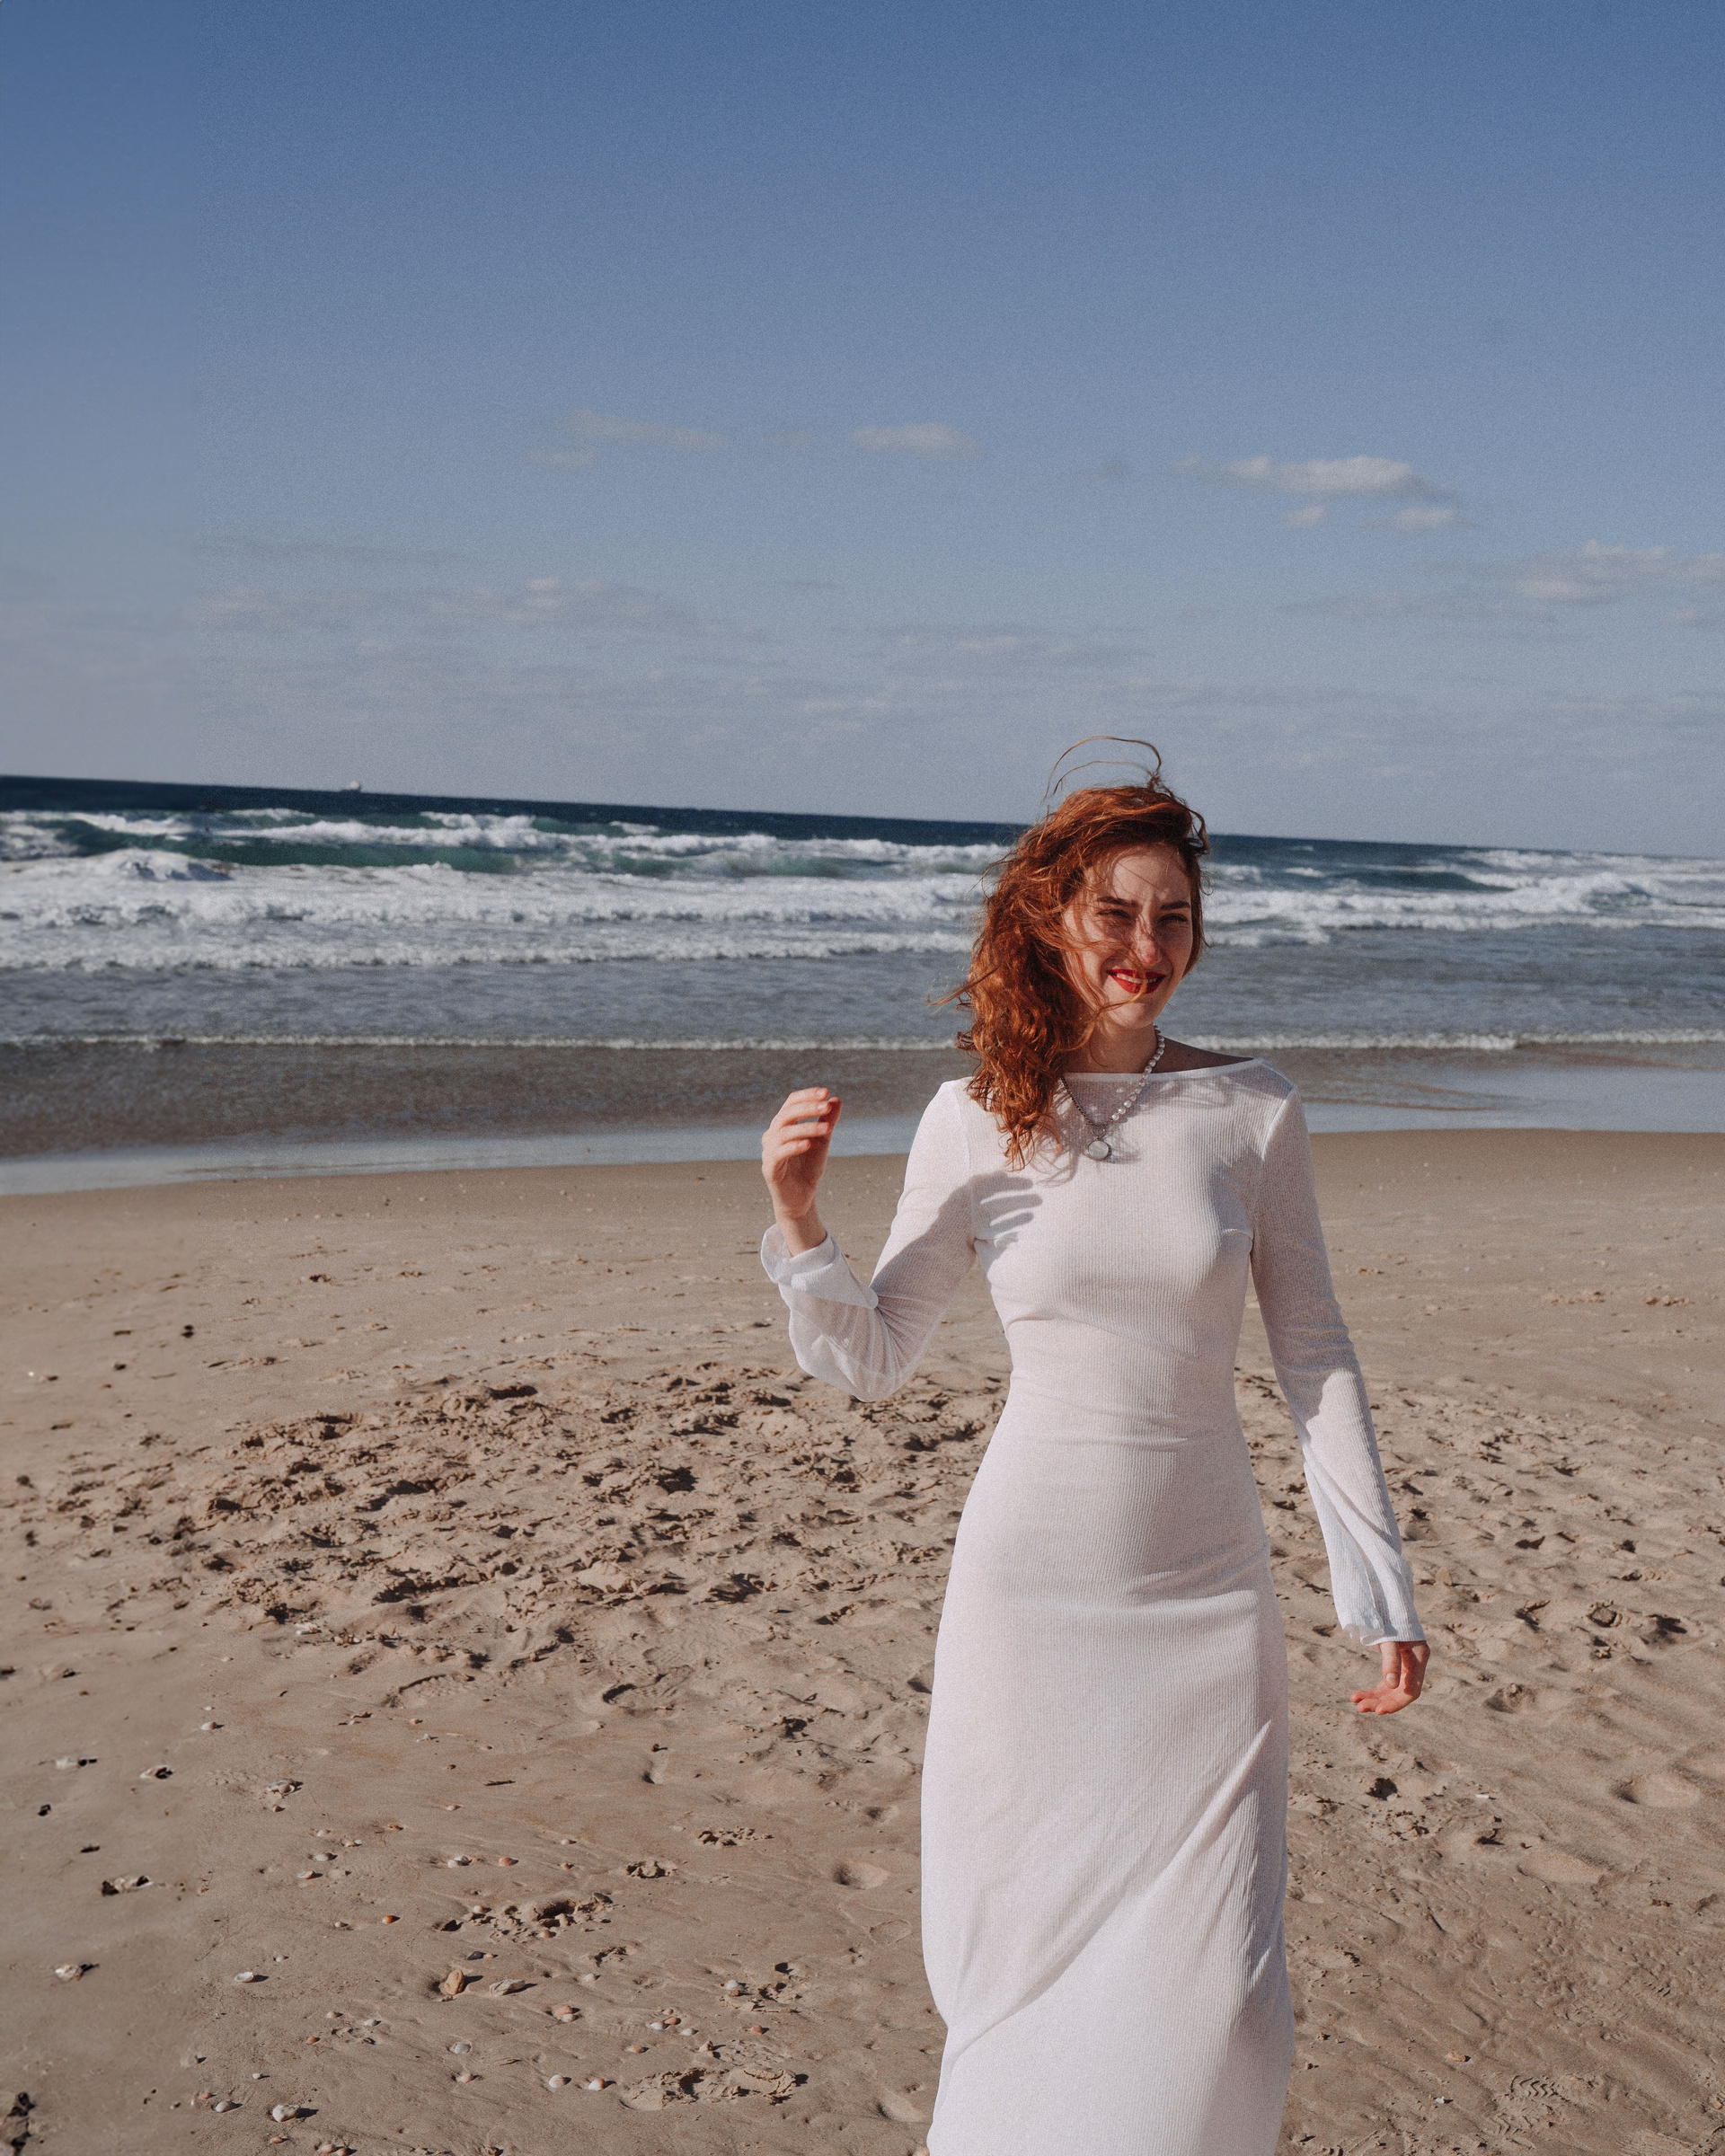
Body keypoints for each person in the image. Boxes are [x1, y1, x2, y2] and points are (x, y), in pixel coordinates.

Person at [758, 760, 1429, 2156]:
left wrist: (1376, 1585)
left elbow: (1314, 1350)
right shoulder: (973, 1117)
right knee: (1029, 1962)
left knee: (1224, 2003)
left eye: (1173, 917)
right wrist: (801, 1225)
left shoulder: (1253, 1110)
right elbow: (876, 1356)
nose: (1145, 946)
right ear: (1051, 918)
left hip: (1209, 1589)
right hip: (1035, 1591)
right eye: (1115, 912)